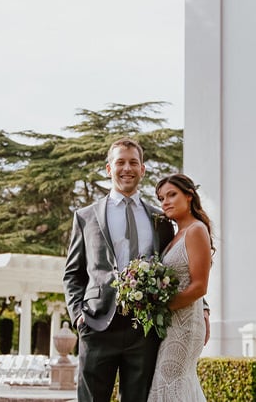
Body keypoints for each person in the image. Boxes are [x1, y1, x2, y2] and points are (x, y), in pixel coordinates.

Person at [63, 137, 179, 401]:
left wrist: (203, 307)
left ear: (142, 169)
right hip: (97, 323)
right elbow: (72, 273)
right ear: (108, 168)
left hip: (144, 328)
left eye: (133, 163)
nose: (127, 168)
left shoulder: (160, 219)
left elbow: (176, 267)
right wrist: (78, 315)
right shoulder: (85, 216)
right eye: (120, 162)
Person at [148, 173, 214, 402]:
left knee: (169, 384)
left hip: (185, 327)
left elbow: (199, 286)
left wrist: (160, 308)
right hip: (171, 325)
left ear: (189, 196)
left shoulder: (196, 230)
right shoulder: (176, 236)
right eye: (161, 198)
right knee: (172, 386)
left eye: (172, 195)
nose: (165, 202)